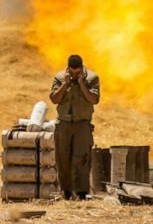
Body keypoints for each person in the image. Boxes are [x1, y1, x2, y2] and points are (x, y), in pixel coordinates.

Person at [49, 54, 100, 200]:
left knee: (82, 158)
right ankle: (66, 192)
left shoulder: (92, 78)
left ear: (82, 69)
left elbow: (94, 99)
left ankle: (82, 192)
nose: (74, 76)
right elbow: (54, 99)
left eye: (77, 73)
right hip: (64, 124)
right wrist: (65, 84)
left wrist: (82, 83)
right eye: (71, 72)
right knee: (63, 158)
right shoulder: (59, 78)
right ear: (67, 69)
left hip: (82, 124)